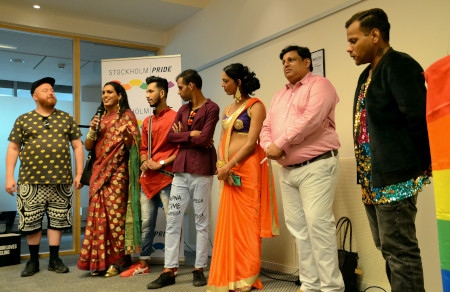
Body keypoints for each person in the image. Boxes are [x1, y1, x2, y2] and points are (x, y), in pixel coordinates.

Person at [345, 8, 431, 292]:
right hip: (372, 180)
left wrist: (424, 165)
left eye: (354, 40)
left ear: (375, 35)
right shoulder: (365, 75)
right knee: (387, 248)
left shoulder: (400, 65)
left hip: (396, 177)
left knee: (401, 252)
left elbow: (419, 118)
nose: (349, 48)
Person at [259, 45, 344, 292]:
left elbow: (312, 119)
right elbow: (266, 127)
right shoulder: (278, 95)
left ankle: (332, 288)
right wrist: (270, 146)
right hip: (287, 170)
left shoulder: (321, 85)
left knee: (319, 227)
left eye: (292, 59)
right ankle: (309, 285)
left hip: (316, 165)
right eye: (283, 61)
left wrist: (281, 143)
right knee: (299, 230)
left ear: (307, 62)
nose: (286, 64)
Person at [206, 63, 279, 292]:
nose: (222, 84)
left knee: (247, 224)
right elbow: (222, 139)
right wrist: (221, 163)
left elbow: (251, 143)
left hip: (246, 169)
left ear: (238, 82)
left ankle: (247, 276)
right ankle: (231, 274)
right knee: (229, 224)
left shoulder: (255, 106)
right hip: (227, 170)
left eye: (226, 80)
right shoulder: (228, 109)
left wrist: (230, 165)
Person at [146, 69, 220, 289]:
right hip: (180, 172)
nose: (177, 91)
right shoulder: (183, 109)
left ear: (192, 86)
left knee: (201, 221)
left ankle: (198, 269)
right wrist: (191, 135)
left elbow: (206, 137)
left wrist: (187, 136)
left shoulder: (211, 108)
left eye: (180, 87)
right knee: (173, 221)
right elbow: (172, 137)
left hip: (201, 172)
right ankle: (169, 271)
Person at [5, 77, 84, 277]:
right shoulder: (23, 119)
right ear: (35, 96)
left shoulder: (66, 118)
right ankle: (32, 261)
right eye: (45, 90)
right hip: (30, 181)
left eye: (52, 90)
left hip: (61, 181)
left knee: (57, 221)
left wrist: (80, 173)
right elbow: (13, 148)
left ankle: (54, 259)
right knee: (31, 222)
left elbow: (77, 146)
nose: (51, 92)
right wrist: (9, 177)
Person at [77, 81, 140, 277]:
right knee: (98, 217)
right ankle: (100, 262)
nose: (105, 95)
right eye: (103, 92)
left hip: (118, 172)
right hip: (98, 172)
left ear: (119, 95)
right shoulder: (99, 117)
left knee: (115, 217)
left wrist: (127, 136)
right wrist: (93, 130)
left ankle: (119, 262)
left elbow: (134, 146)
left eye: (109, 92)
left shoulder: (127, 116)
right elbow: (88, 146)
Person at [119, 76, 179, 277]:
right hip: (148, 179)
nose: (147, 96)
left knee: (172, 223)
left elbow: (182, 150)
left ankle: (171, 265)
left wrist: (160, 163)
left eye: (151, 91)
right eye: (146, 92)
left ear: (162, 93)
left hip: (168, 178)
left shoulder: (176, 117)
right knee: (146, 222)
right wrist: (145, 160)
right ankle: (143, 263)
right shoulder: (148, 120)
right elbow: (143, 147)